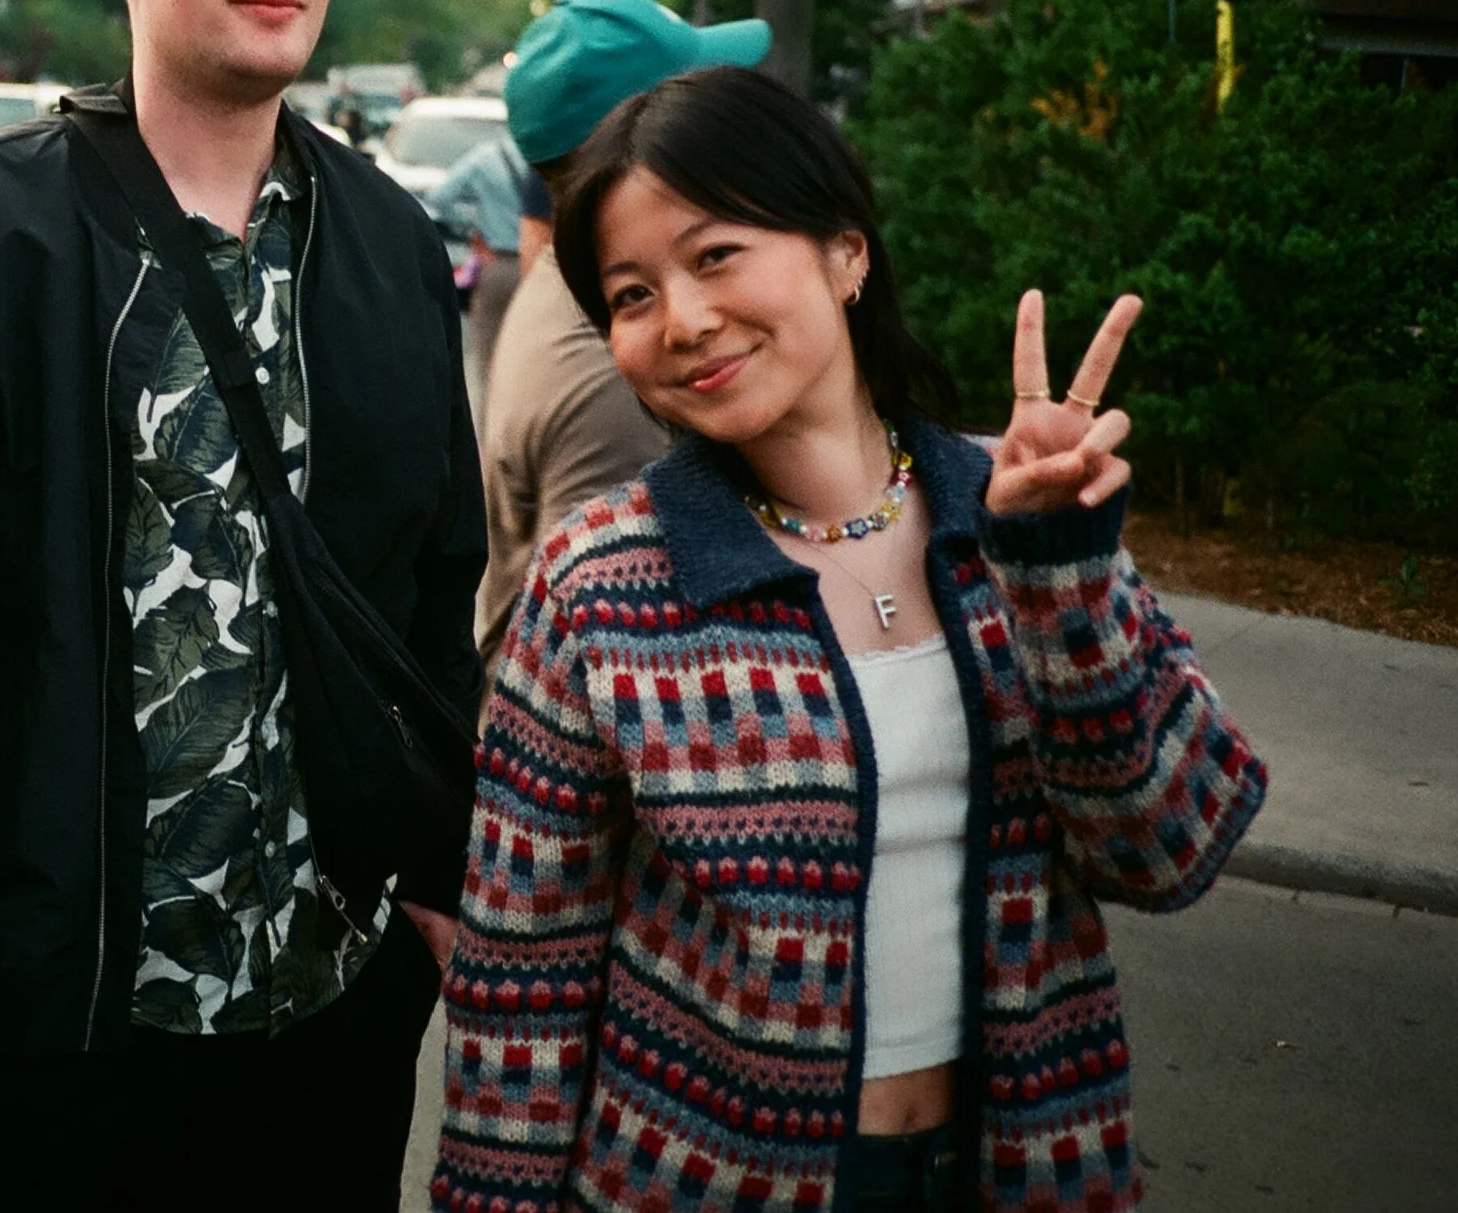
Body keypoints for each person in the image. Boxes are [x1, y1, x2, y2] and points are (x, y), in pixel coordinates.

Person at [430, 66, 1267, 1213]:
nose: (681, 319)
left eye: (715, 254)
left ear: (845, 251)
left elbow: (1167, 851)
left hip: (1025, 1167)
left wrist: (1060, 576)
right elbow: (518, 980)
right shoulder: (602, 585)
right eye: (630, 293)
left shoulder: (1014, 515)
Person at [0, 0, 486, 1212]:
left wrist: (437, 887)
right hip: (36, 1025)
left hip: (324, 1013)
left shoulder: (391, 247)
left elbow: (433, 585)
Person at [472, 0, 769, 661]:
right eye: (694, 102)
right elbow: (615, 654)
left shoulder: (582, 291)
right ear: (635, 136)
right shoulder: (617, 368)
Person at [423, 128, 530, 413]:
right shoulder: (549, 155)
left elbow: (440, 197)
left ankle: (491, 449)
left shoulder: (485, 158)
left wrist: (474, 227)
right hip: (541, 270)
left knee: (487, 365)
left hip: (497, 265)